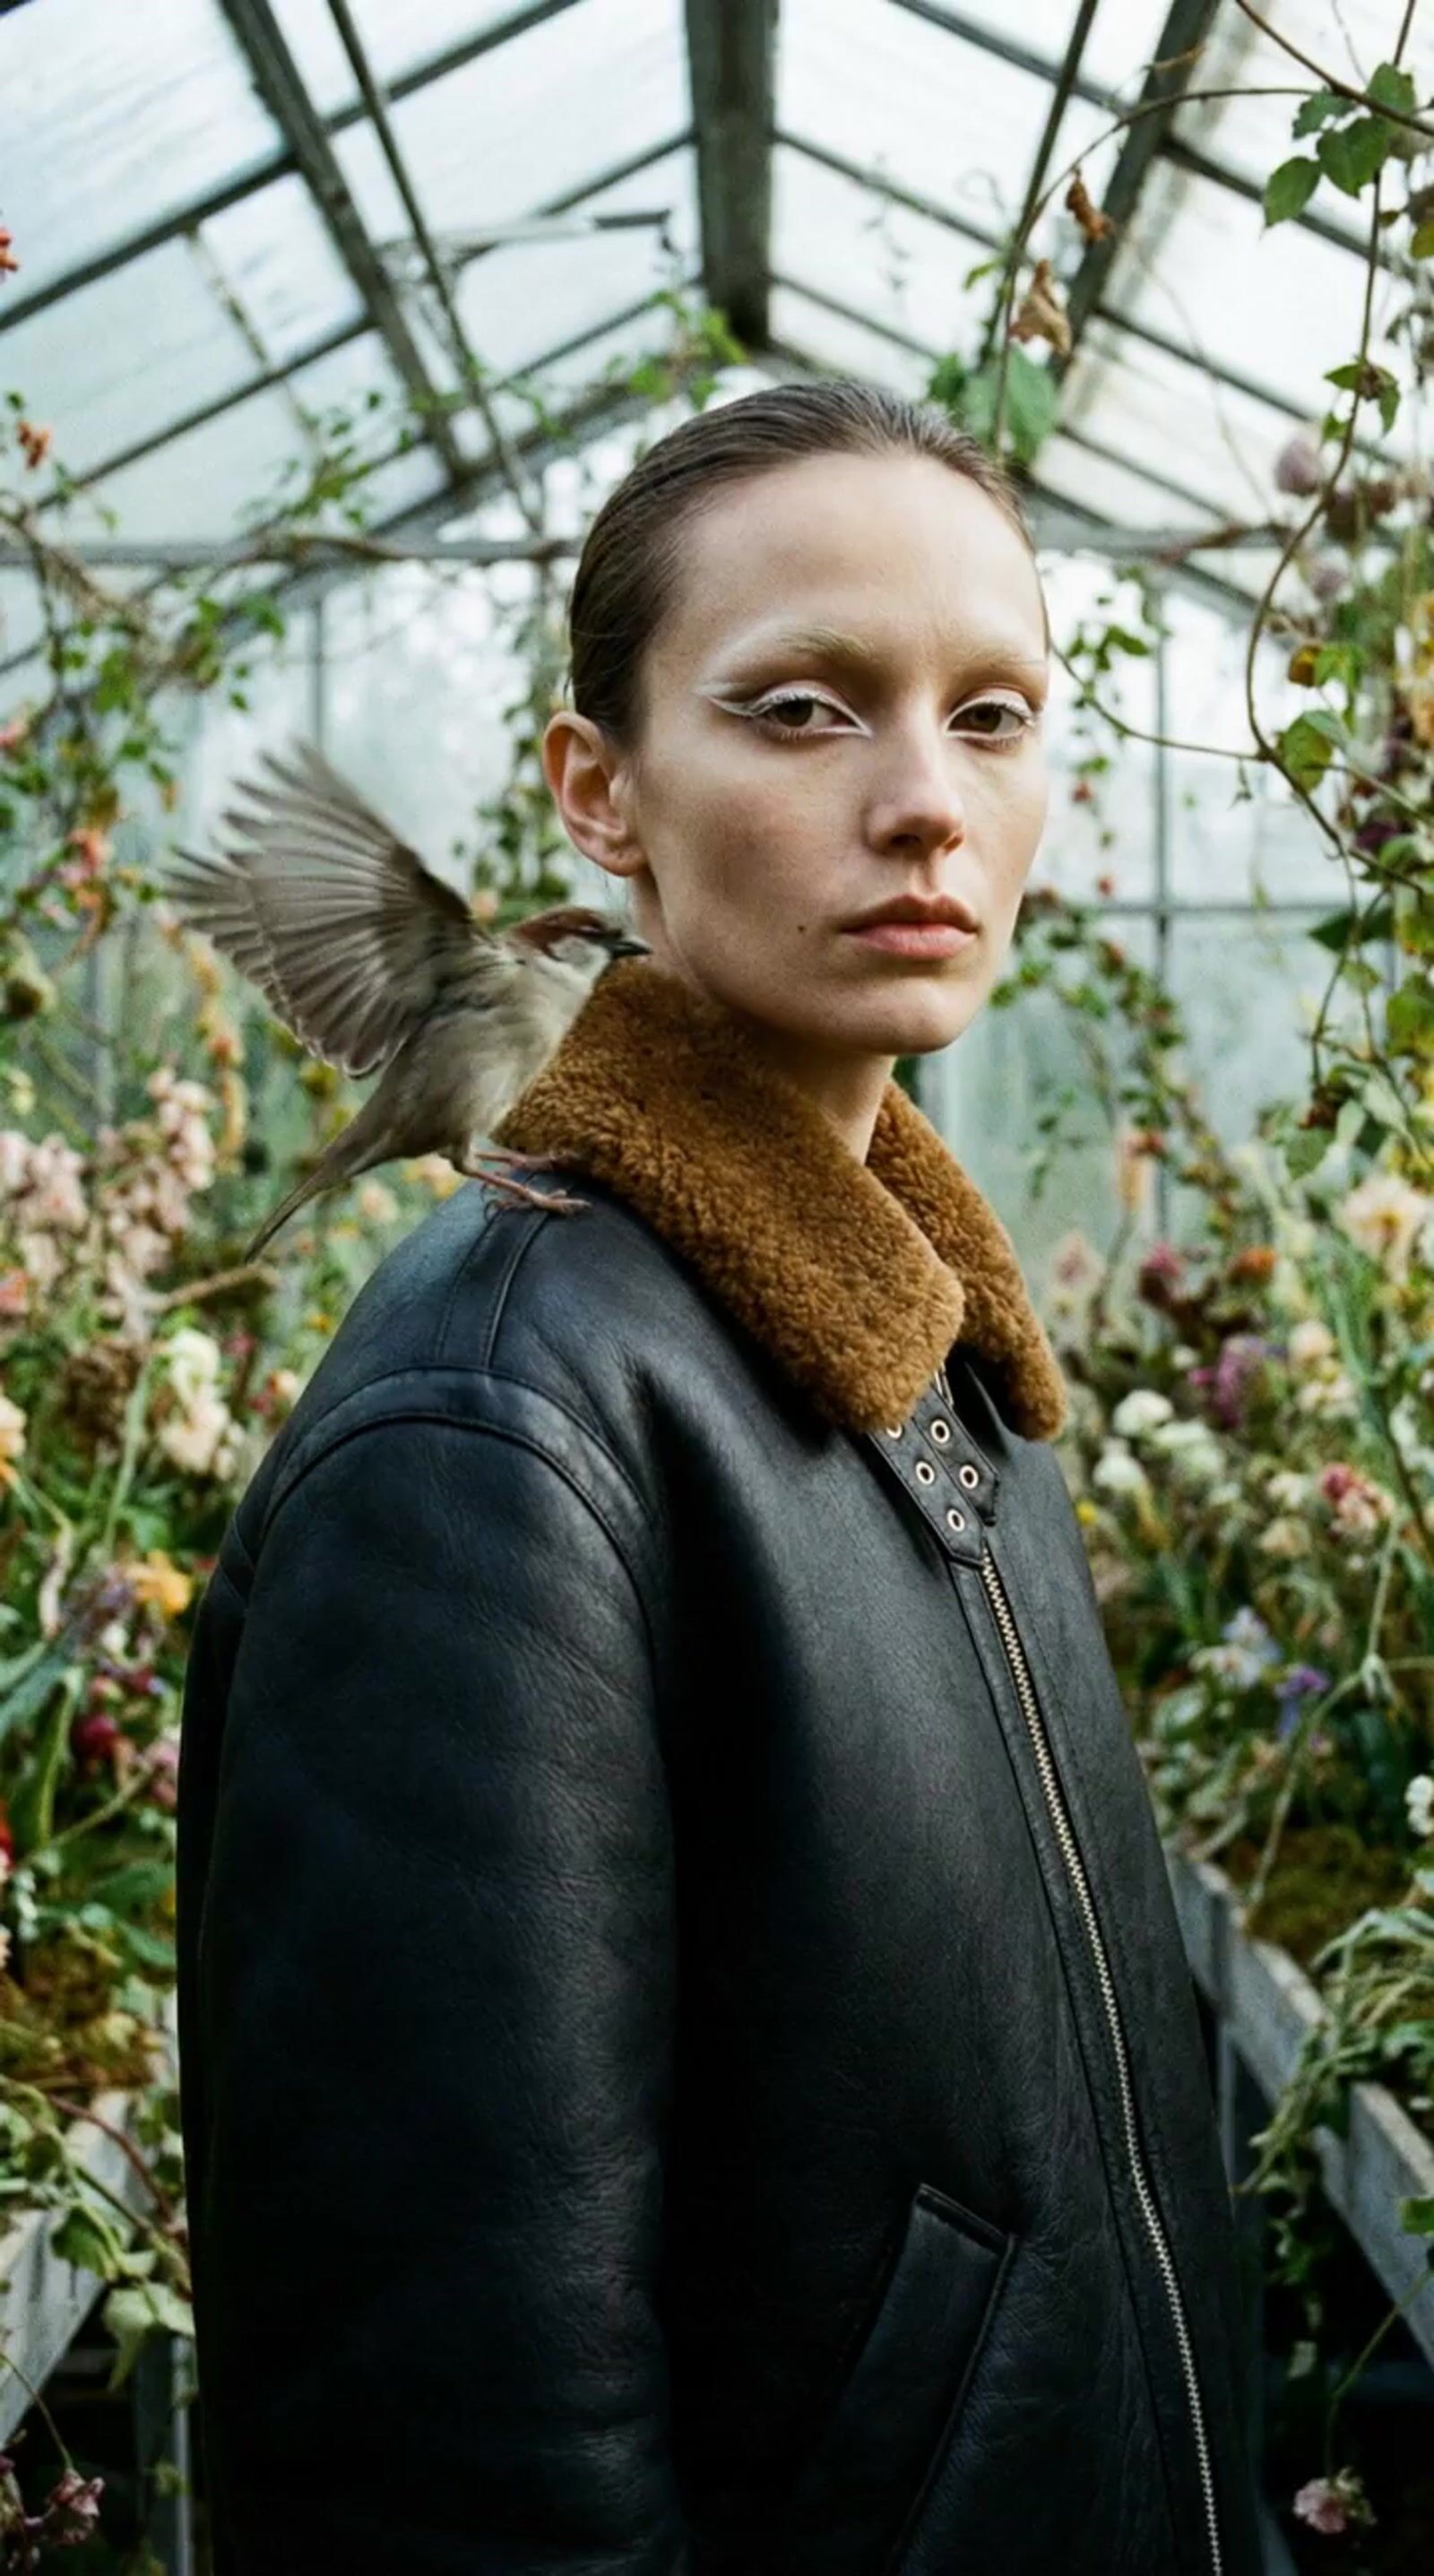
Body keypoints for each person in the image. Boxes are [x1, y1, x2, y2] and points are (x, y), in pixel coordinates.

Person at [175, 378, 1265, 2575]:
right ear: (598, 792)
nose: (924, 805)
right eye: (798, 712)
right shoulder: (492, 1438)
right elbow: (442, 2454)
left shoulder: (940, 1355)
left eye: (994, 715)